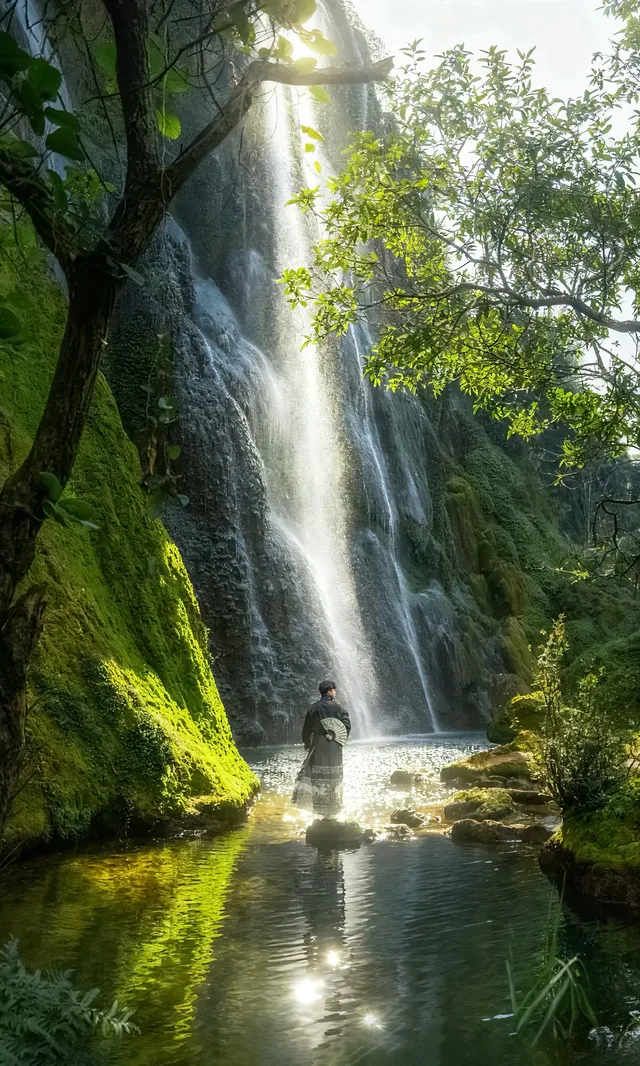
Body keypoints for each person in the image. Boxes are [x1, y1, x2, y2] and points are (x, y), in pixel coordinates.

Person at [292, 680, 351, 817]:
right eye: (334, 690)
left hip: (318, 745)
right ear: (330, 691)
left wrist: (307, 744)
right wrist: (340, 739)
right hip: (334, 745)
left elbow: (306, 730)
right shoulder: (339, 708)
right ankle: (333, 811)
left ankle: (319, 811)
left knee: (318, 776)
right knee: (334, 776)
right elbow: (347, 726)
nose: (335, 692)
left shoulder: (313, 708)